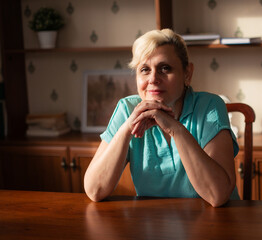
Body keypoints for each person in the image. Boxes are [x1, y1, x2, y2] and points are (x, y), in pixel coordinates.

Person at [84, 29, 240, 207]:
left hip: (214, 224)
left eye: (165, 68)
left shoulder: (210, 106)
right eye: (144, 69)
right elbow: (94, 190)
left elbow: (217, 195)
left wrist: (175, 129)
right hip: (154, 224)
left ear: (187, 73)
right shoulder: (127, 109)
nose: (153, 79)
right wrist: (128, 128)